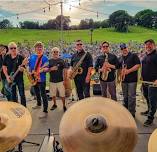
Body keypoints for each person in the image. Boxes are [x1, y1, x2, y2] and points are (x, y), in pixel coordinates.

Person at [118, 43, 140, 118]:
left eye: (125, 48)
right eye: (122, 48)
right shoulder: (120, 58)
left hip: (132, 80)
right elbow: (119, 68)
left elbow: (138, 65)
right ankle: (126, 110)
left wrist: (128, 71)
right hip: (124, 80)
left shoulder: (133, 55)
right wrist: (121, 73)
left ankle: (131, 112)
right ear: (120, 50)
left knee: (131, 96)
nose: (124, 49)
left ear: (127, 48)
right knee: (125, 96)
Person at [28, 41, 49, 118]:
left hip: (41, 79)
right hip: (34, 78)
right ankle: (39, 104)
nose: (39, 48)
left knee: (43, 94)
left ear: (42, 48)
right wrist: (30, 73)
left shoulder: (45, 57)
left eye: (40, 47)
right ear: (35, 48)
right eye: (37, 47)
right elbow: (30, 67)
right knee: (36, 92)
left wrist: (42, 70)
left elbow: (47, 68)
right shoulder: (32, 57)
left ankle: (45, 110)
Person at [2, 42, 27, 106]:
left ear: (17, 48)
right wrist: (7, 77)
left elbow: (24, 69)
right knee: (13, 94)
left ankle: (24, 107)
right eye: (11, 48)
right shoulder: (7, 56)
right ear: (9, 49)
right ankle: (16, 107)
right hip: (11, 79)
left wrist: (21, 69)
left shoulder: (21, 57)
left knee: (22, 94)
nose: (13, 49)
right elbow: (4, 67)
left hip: (19, 79)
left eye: (15, 48)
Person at [141, 39, 157, 127]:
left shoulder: (156, 55)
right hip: (145, 81)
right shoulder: (146, 55)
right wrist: (142, 76)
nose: (148, 46)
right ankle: (148, 110)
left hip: (153, 82)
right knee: (147, 97)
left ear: (154, 45)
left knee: (152, 101)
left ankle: (150, 118)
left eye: (150, 44)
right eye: (146, 45)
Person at [49, 47, 67, 112]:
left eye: (57, 52)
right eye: (54, 52)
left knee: (62, 94)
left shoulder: (61, 60)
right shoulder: (49, 61)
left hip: (60, 80)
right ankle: (54, 104)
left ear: (59, 53)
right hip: (52, 81)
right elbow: (46, 70)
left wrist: (65, 80)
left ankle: (64, 105)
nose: (55, 53)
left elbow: (65, 70)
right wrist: (51, 69)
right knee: (53, 94)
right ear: (52, 53)